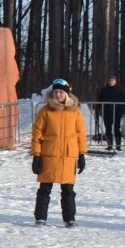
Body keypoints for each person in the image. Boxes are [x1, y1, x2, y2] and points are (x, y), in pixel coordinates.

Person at [31, 78, 87, 227]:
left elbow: (80, 134)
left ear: (67, 94)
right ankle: (40, 217)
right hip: (49, 155)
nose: (58, 95)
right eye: (55, 92)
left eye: (61, 92)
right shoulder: (45, 111)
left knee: (68, 190)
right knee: (45, 188)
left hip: (69, 156)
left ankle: (70, 218)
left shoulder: (75, 111)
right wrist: (36, 155)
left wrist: (82, 154)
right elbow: (37, 133)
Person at [96, 76, 125, 151]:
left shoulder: (120, 90)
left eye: (112, 80)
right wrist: (97, 108)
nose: (111, 82)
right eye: (110, 80)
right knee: (108, 129)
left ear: (115, 81)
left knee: (117, 129)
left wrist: (124, 111)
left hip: (117, 112)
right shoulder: (104, 90)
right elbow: (99, 100)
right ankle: (109, 145)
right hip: (106, 112)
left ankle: (118, 146)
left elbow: (124, 101)